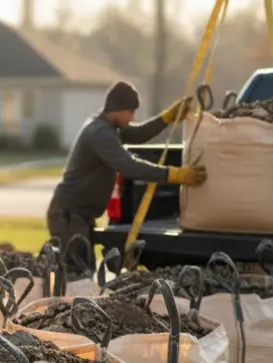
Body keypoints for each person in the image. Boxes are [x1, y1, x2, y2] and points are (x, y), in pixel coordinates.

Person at [47, 81, 208, 272]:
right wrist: (173, 174)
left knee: (82, 273)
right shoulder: (99, 133)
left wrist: (166, 118)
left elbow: (138, 134)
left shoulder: (107, 128)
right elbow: (129, 166)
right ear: (119, 109)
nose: (132, 117)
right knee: (76, 275)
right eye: (131, 112)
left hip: (78, 216)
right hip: (68, 216)